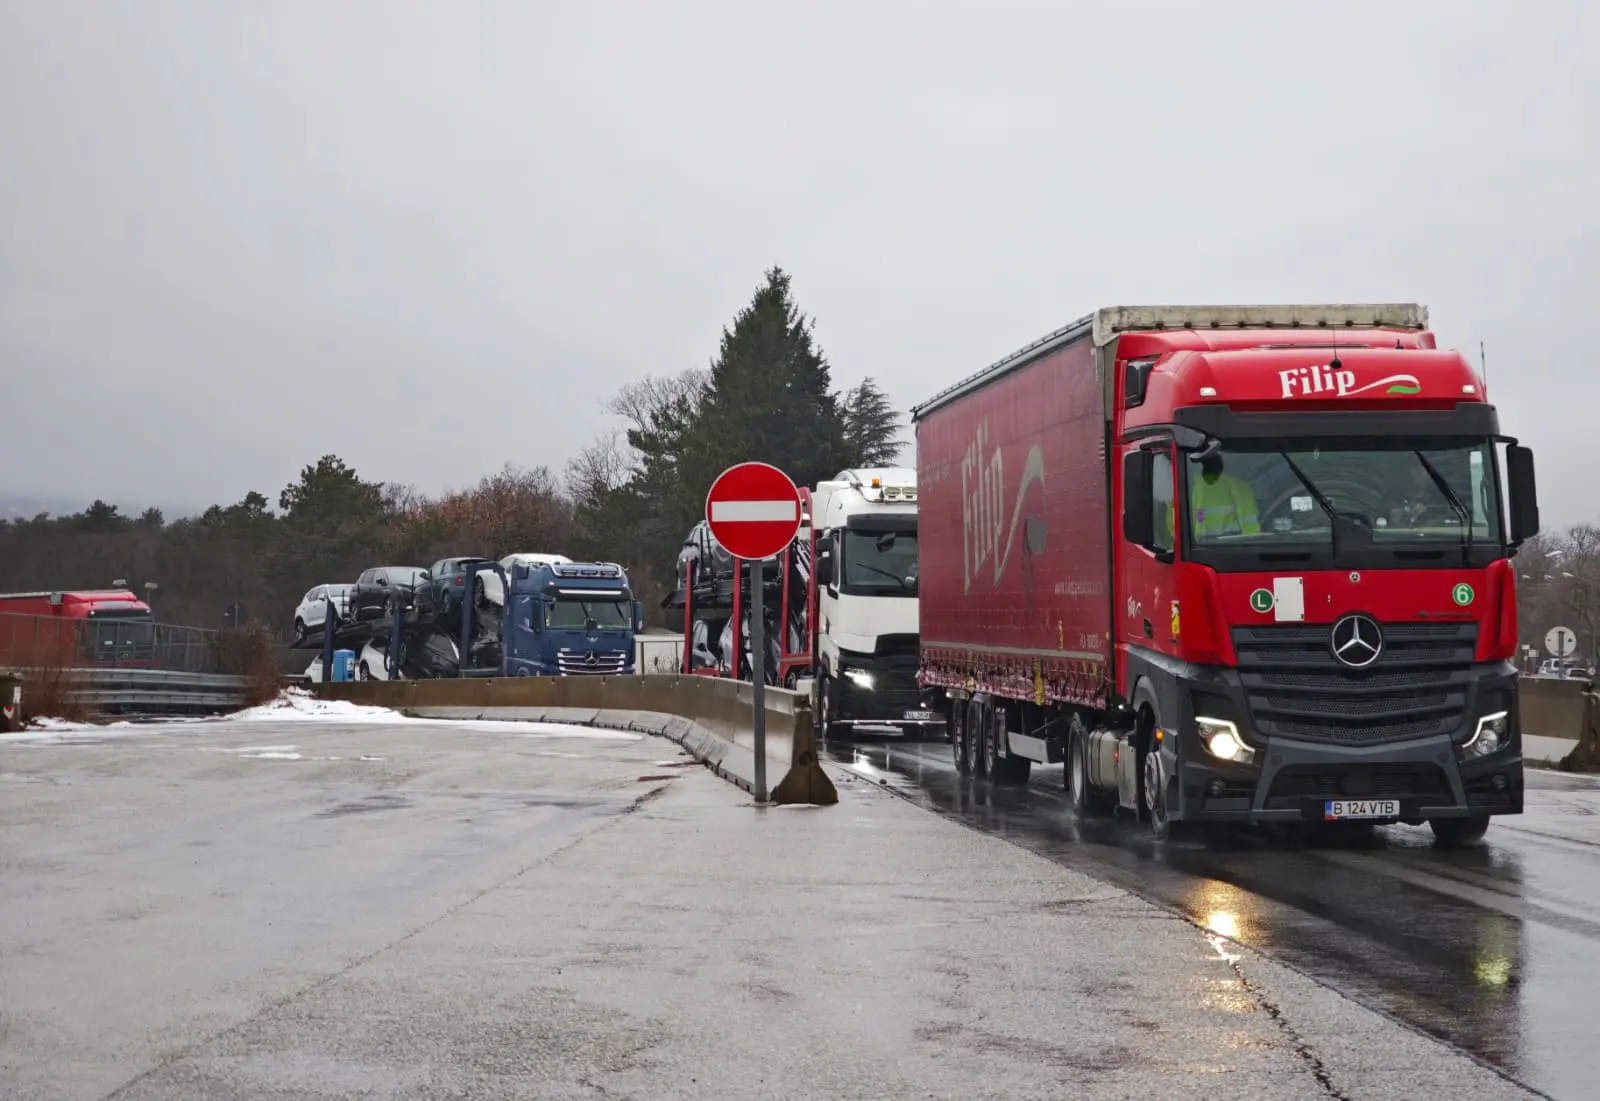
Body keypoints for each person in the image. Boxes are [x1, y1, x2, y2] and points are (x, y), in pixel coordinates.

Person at [1184, 452, 1261, 538]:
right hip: (1230, 544)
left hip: (1197, 544)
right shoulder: (1237, 486)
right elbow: (1249, 524)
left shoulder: (1189, 483)